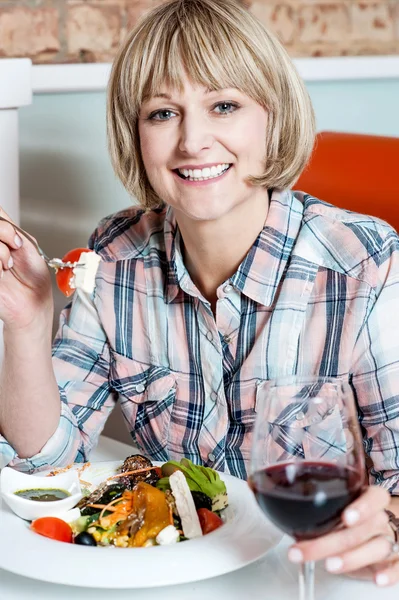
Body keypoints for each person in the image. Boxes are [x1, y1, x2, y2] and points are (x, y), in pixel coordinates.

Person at [0, 0, 399, 586]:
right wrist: (28, 327)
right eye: (163, 113)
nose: (192, 141)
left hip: (319, 577)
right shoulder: (114, 257)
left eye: (224, 106)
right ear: (135, 135)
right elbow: (48, 462)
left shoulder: (366, 267)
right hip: (180, 579)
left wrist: (387, 527)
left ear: (272, 118)